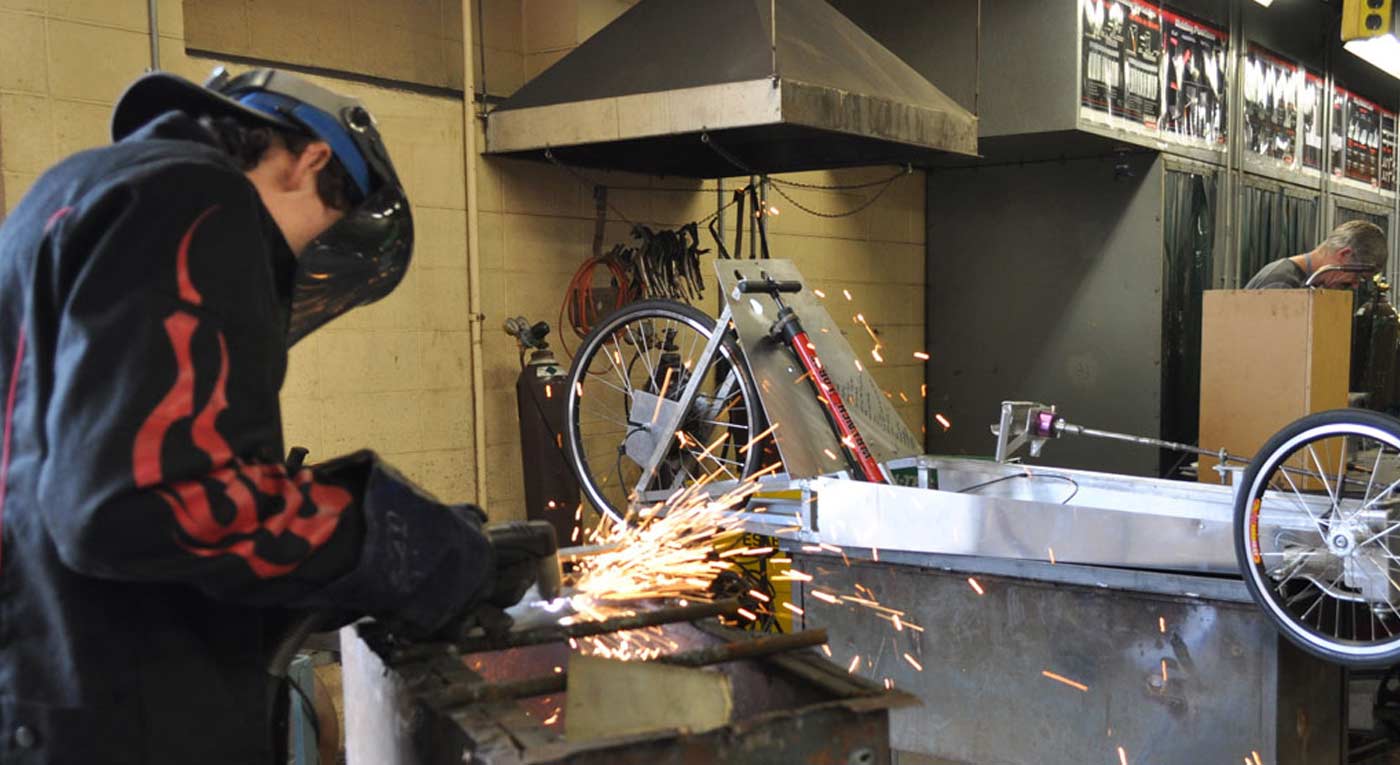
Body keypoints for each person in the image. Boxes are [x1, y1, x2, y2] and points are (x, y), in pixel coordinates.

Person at [0, 68, 538, 763]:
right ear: (309, 159)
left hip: (51, 695)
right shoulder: (197, 196)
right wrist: (387, 537)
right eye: (321, 235)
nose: (293, 261)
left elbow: (97, 501)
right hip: (122, 724)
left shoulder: (73, 191)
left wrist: (357, 577)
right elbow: (149, 498)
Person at [1244, 219, 1388, 290]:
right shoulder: (1281, 284)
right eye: (1358, 276)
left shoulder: (1313, 286)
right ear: (1344, 254)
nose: (1355, 285)